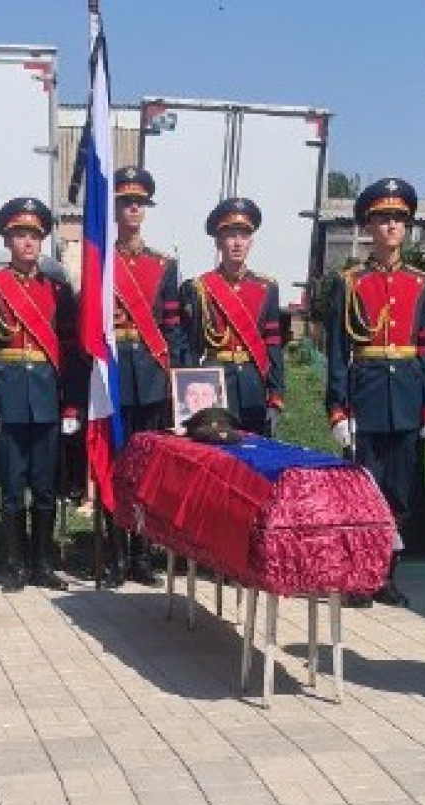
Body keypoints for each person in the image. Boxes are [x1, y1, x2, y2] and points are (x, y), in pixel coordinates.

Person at [325, 177, 425, 607]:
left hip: (406, 393)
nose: (391, 226)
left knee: (400, 492)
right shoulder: (349, 281)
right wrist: (337, 408)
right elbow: (337, 349)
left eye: (398, 219)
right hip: (366, 392)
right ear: (368, 226)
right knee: (363, 491)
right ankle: (358, 576)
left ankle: (386, 576)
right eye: (383, 218)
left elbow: (424, 347)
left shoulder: (421, 282)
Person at [0, 196, 81, 593]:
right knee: (13, 487)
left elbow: (69, 351)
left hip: (47, 399)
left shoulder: (59, 291)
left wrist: (70, 403)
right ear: (7, 238)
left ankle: (43, 562)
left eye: (34, 234)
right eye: (19, 234)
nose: (27, 242)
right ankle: (15, 565)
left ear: (44, 239)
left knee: (46, 487)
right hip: (8, 397)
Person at [103, 167, 186, 587]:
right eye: (124, 202)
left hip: (152, 377)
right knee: (117, 464)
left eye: (138, 203)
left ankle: (143, 554)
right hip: (114, 374)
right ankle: (117, 556)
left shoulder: (164, 265)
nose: (131, 209)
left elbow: (173, 328)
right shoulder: (101, 261)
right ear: (115, 209)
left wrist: (175, 380)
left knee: (148, 466)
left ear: (145, 210)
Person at [179, 197, 284, 437]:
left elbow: (273, 344)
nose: (237, 243)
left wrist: (276, 394)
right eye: (230, 236)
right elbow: (191, 349)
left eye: (244, 236)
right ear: (218, 242)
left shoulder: (266, 288)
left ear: (251, 242)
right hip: (214, 382)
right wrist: (184, 400)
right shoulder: (199, 289)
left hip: (253, 384)